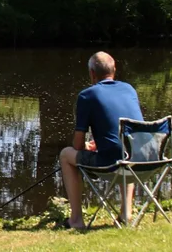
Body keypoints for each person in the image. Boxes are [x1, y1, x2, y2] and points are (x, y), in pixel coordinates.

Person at [59, 51, 143, 230]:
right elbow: (133, 130)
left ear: (92, 73)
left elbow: (77, 144)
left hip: (111, 165)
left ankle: (76, 220)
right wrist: (102, 142)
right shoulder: (129, 89)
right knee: (128, 150)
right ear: (114, 70)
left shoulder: (87, 95)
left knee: (66, 155)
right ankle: (126, 213)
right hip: (141, 162)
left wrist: (86, 147)